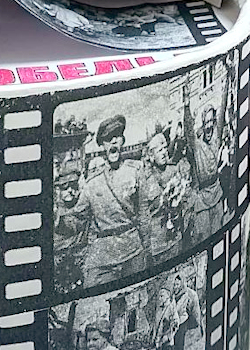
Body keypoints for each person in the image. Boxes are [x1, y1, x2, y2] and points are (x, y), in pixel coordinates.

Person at [62, 115, 151, 288]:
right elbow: (78, 220)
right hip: (103, 256)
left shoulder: (134, 171)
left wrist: (147, 249)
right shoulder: (92, 182)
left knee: (137, 296)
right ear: (102, 145)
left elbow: (143, 213)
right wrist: (59, 220)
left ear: (122, 141)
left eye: (117, 137)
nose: (113, 142)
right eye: (108, 139)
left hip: (132, 251)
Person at [183, 59, 231, 241]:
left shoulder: (216, 139)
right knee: (203, 239)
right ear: (203, 125)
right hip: (202, 199)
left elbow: (223, 108)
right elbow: (188, 130)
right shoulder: (197, 146)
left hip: (216, 193)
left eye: (212, 121)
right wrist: (186, 103)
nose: (210, 125)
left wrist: (228, 79)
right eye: (207, 122)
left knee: (219, 236)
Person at [53, 117, 91, 296]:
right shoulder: (54, 204)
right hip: (57, 258)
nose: (70, 190)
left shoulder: (81, 201)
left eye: (73, 185)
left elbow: (78, 222)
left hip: (79, 255)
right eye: (64, 187)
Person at [143, 127, 193, 265]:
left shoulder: (173, 170)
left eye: (165, 148)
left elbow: (184, 199)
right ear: (151, 155)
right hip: (157, 244)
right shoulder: (145, 179)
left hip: (175, 237)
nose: (164, 153)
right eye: (160, 150)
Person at [172, 272, 204, 350]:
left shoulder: (190, 294)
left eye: (177, 284)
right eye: (174, 284)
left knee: (179, 344)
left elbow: (196, 312)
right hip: (173, 323)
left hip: (183, 322)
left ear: (181, 284)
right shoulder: (171, 295)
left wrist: (198, 324)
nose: (175, 287)